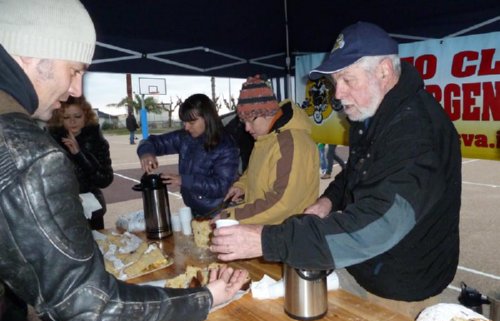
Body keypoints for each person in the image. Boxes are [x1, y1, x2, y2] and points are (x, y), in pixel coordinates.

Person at [0, 0, 248, 321]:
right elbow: (88, 307)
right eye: (74, 70)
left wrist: (184, 179)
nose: (74, 89)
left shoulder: (223, 145)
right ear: (37, 59)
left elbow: (220, 184)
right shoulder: (26, 151)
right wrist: (204, 299)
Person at [211, 21, 461, 304]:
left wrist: (266, 240)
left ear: (384, 71)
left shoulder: (416, 129)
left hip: (404, 285)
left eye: (347, 80)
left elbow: (381, 224)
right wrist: (328, 201)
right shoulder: (372, 115)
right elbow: (356, 173)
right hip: (366, 267)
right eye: (335, 83)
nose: (338, 94)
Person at [220, 75, 319, 224]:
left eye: (250, 120)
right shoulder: (266, 138)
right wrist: (241, 186)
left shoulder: (291, 143)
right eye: (243, 121)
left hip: (289, 233)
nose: (247, 128)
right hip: (269, 229)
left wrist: (231, 216)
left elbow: (282, 202)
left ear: (268, 113)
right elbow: (254, 171)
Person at [137, 93, 239, 217]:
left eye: (191, 122)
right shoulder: (185, 137)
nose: (186, 127)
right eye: (184, 122)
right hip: (194, 209)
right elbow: (153, 142)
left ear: (207, 118)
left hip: (219, 212)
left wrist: (184, 180)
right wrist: (146, 152)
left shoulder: (226, 145)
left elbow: (221, 186)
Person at [48, 95, 113, 230]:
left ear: (86, 117)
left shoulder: (97, 142)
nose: (72, 122)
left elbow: (104, 180)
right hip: (62, 210)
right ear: (59, 120)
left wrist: (79, 154)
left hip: (92, 209)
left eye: (77, 116)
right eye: (66, 117)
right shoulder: (50, 141)